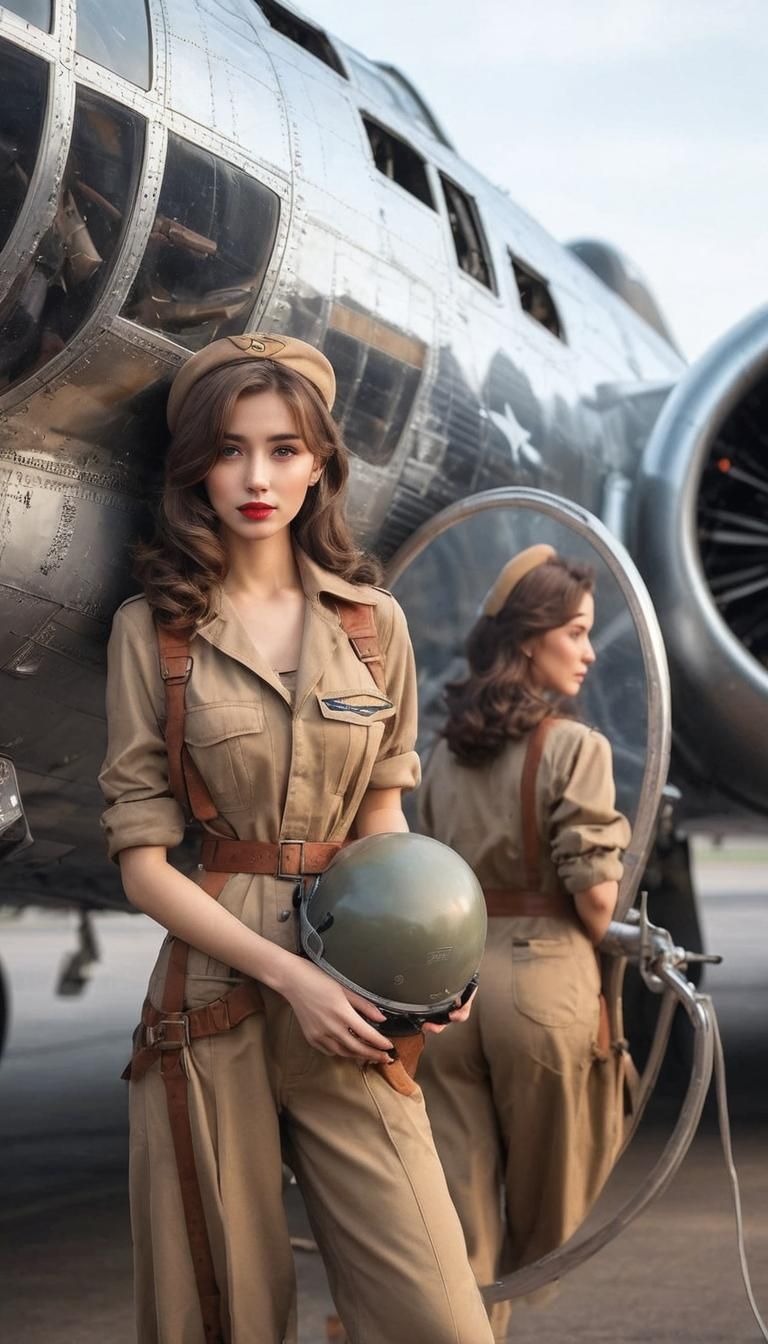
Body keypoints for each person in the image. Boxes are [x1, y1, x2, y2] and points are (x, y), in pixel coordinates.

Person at [98, 333, 494, 1344]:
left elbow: (383, 823)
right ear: (197, 469)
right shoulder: (154, 631)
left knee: (439, 1314)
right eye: (229, 451)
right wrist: (290, 978)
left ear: (320, 464)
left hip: (358, 971)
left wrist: (432, 963)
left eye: (283, 450)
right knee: (220, 1315)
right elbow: (144, 864)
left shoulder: (375, 627)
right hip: (215, 993)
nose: (257, 478)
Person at [417, 543, 631, 1338]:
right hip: (547, 986)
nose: (589, 650)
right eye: (575, 632)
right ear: (530, 639)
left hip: (450, 988)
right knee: (549, 1205)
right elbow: (596, 896)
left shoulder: (442, 754)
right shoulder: (577, 748)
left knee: (457, 1214)